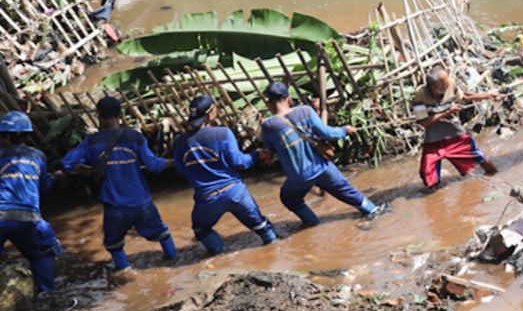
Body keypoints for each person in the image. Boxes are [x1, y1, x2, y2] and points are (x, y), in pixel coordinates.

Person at [62, 96, 175, 270]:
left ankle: (126, 272)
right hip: (141, 202)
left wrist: (88, 170)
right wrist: (174, 161)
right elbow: (154, 165)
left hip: (114, 206)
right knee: (162, 233)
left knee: (114, 244)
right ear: (120, 115)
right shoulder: (135, 138)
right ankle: (174, 261)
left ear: (99, 116)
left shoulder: (92, 142)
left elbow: (67, 164)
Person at [259, 82, 380, 223]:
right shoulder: (305, 111)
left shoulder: (268, 126)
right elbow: (327, 133)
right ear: (288, 99)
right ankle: (373, 210)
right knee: (348, 191)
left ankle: (312, 223)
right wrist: (344, 130)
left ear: (269, 103)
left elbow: (270, 149)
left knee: (289, 198)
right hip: (322, 168)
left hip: (298, 177)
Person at [174, 94, 276, 254]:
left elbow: (181, 171)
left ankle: (218, 255)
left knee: (201, 229)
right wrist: (256, 155)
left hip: (208, 198)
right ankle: (275, 250)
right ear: (211, 113)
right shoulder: (223, 134)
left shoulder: (179, 142)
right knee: (262, 227)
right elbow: (239, 162)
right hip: (235, 192)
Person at [0, 112, 62, 293]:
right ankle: (46, 296)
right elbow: (43, 188)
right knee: (41, 255)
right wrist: (57, 178)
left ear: (6, 136)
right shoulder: (39, 157)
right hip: (29, 218)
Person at [412, 67, 501, 189]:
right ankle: (434, 195)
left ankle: (496, 177)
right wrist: (446, 113)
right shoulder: (420, 96)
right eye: (443, 85)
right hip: (433, 138)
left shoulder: (450, 84)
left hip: (454, 134)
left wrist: (488, 95)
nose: (447, 86)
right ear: (433, 87)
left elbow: (464, 96)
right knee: (426, 173)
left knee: (480, 158)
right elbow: (424, 123)